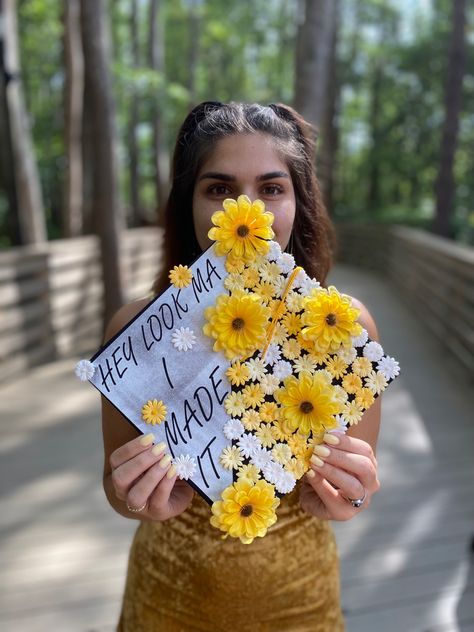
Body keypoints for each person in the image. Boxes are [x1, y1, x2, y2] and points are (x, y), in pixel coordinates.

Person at [102, 102, 381, 631]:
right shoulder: (139, 332)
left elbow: (357, 491)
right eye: (220, 189)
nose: (247, 212)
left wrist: (351, 496)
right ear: (189, 202)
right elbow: (114, 488)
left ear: (301, 203)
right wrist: (135, 497)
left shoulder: (344, 330)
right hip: (168, 593)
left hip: (300, 597)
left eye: (271, 189)